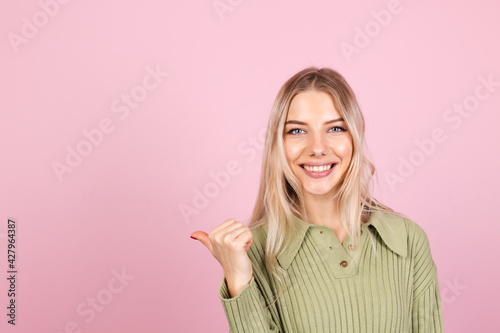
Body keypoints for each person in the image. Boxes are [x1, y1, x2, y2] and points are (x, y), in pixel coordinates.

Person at [190, 67, 444, 332]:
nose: (318, 148)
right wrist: (239, 278)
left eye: (335, 128)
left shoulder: (406, 240)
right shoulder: (252, 250)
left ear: (355, 137)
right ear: (278, 144)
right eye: (297, 131)